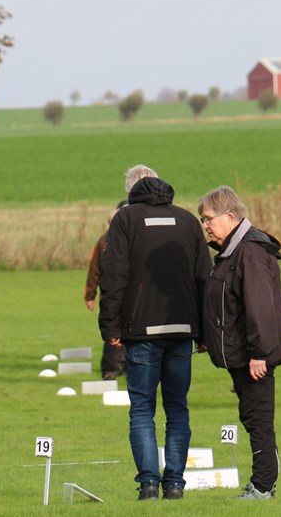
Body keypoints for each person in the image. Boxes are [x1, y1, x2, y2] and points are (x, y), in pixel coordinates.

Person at [98, 166, 211, 501]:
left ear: (132, 192)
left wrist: (110, 327)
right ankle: (174, 484)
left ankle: (149, 484)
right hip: (182, 329)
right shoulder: (188, 220)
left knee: (142, 409)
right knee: (177, 408)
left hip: (141, 331)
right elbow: (205, 278)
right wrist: (204, 331)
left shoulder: (125, 219)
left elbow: (113, 276)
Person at [198, 186, 281, 501]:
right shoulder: (232, 251)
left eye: (208, 218)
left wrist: (258, 354)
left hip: (254, 357)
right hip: (241, 355)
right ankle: (263, 482)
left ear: (229, 216)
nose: (205, 225)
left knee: (258, 418)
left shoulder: (249, 252)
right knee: (252, 416)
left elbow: (259, 307)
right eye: (203, 220)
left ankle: (263, 486)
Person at [85, 200, 128, 380]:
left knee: (127, 332)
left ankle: (126, 367)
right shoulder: (104, 241)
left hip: (129, 296)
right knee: (113, 332)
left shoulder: (137, 239)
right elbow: (95, 269)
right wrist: (90, 294)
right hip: (112, 296)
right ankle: (110, 368)